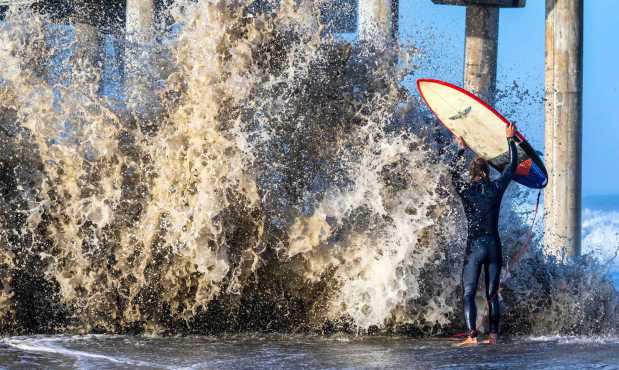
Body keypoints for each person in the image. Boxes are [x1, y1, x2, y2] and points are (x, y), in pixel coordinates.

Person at [451, 124, 518, 346]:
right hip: (493, 247)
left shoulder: (466, 190)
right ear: (488, 172)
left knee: (469, 293)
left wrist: (461, 149)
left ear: (472, 174)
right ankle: (493, 337)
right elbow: (512, 166)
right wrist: (510, 139)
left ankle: (472, 337)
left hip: (475, 248)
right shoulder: (496, 188)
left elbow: (452, 173)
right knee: (491, 295)